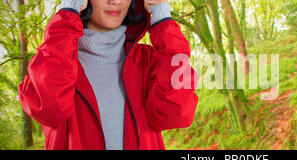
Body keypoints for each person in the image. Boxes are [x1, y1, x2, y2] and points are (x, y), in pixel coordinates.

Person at [17, 0, 198, 150]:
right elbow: (49, 109)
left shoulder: (149, 60)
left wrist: (163, 19)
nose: (116, 1)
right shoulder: (56, 60)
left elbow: (175, 113)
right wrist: (67, 13)